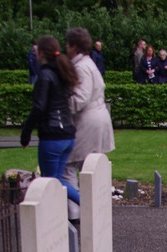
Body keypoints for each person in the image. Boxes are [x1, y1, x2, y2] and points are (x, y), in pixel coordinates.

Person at [20, 36, 80, 210]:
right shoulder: (61, 73)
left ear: (40, 53)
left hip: (53, 136)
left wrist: (26, 132)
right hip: (67, 134)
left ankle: (87, 204)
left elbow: (39, 107)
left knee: (51, 181)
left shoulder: (45, 75)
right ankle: (61, 215)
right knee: (57, 180)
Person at [63, 27, 115, 222]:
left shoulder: (81, 67)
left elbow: (81, 98)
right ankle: (92, 207)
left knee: (69, 164)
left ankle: (75, 212)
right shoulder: (88, 63)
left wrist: (60, 106)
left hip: (87, 120)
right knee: (89, 166)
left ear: (73, 46)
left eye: (68, 44)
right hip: (97, 117)